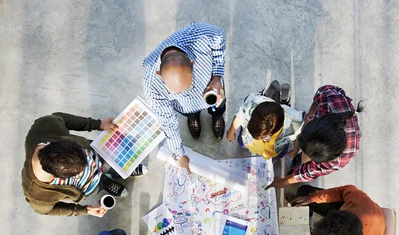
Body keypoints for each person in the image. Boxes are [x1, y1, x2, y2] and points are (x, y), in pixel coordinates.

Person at [142, 22, 227, 174]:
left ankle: (217, 117)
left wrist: (217, 76)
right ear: (159, 74)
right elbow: (168, 122)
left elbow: (218, 36)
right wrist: (178, 154)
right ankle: (193, 116)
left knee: (219, 108)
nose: (184, 93)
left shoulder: (199, 35)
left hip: (214, 89)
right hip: (186, 106)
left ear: (192, 63)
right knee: (189, 112)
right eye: (177, 93)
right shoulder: (150, 82)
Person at [22, 112, 143, 217]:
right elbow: (46, 211)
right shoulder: (37, 195)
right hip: (90, 186)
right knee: (98, 185)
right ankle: (105, 183)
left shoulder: (45, 126)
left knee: (110, 163)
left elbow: (62, 118)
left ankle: (121, 170)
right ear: (60, 178)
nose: (90, 161)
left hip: (102, 154)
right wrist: (83, 210)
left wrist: (97, 124)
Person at [265, 85, 364, 189]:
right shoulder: (328, 98)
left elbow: (311, 171)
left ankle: (301, 162)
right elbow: (313, 108)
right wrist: (308, 119)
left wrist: (284, 182)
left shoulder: (340, 160)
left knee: (304, 163)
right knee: (306, 156)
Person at [286, 184, 385, 235]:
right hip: (369, 215)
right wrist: (312, 198)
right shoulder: (359, 202)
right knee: (304, 191)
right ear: (339, 213)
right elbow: (342, 191)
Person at [226, 80, 304, 160]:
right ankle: (267, 97)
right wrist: (231, 131)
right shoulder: (251, 103)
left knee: (281, 154)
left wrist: (295, 150)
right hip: (262, 103)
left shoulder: (295, 121)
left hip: (277, 144)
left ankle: (283, 102)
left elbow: (298, 135)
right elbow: (240, 116)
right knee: (241, 142)